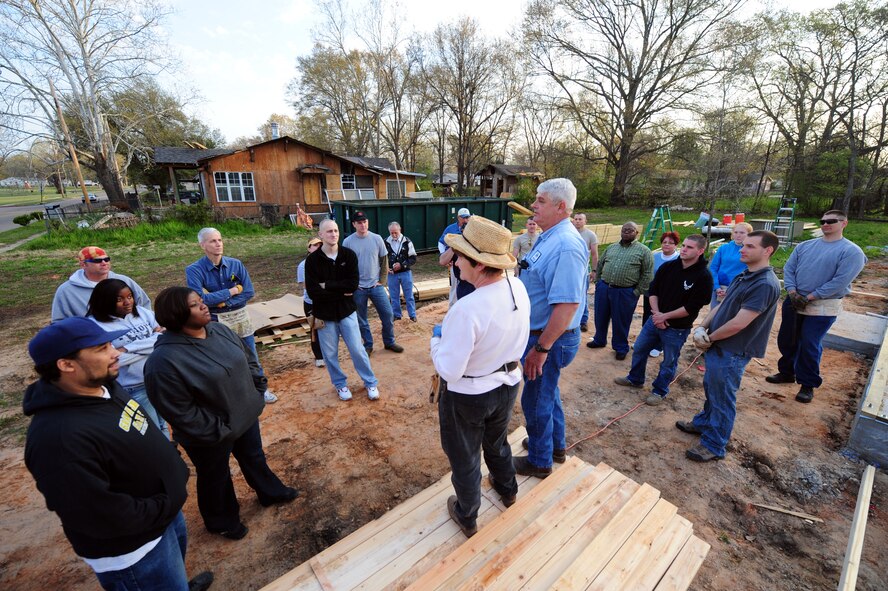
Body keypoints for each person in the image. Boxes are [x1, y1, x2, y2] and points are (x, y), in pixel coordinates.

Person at [23, 317, 213, 591]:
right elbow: (96, 514)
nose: (115, 352)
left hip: (163, 519)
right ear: (65, 365)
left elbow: (139, 428)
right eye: (101, 348)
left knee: (173, 578)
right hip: (135, 551)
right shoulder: (58, 438)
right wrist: (164, 504)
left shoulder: (104, 387)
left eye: (110, 343)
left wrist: (170, 472)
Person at [145, 287, 298, 540]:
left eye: (201, 301)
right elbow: (178, 410)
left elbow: (248, 359)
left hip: (245, 415)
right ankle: (221, 520)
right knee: (215, 476)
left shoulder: (219, 330)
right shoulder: (164, 361)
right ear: (176, 314)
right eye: (195, 305)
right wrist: (218, 429)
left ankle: (270, 492)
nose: (204, 306)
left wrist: (256, 391)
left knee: (254, 457)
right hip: (210, 433)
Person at [431, 216, 531, 537]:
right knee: (497, 442)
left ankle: (468, 513)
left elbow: (448, 370)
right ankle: (508, 490)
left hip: (469, 395)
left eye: (459, 256)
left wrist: (436, 342)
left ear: (477, 263)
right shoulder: (517, 286)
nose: (455, 262)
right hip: (507, 384)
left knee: (465, 456)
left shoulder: (467, 308)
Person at [681, 231, 782, 462]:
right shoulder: (744, 275)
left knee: (723, 397)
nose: (742, 250)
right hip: (719, 344)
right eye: (743, 245)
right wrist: (702, 328)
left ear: (767, 251)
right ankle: (704, 423)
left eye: (749, 246)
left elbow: (739, 323)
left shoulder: (764, 284)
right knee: (712, 388)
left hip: (733, 350)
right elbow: (722, 306)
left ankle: (715, 444)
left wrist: (711, 338)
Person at [515, 178, 587, 479]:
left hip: (549, 339)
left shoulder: (567, 246)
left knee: (535, 400)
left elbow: (567, 306)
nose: (533, 205)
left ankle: (540, 460)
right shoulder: (549, 236)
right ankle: (554, 446)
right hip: (543, 336)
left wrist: (540, 349)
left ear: (561, 207)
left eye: (540, 201)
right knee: (548, 392)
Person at [766, 210, 866, 403]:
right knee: (788, 339)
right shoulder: (805, 246)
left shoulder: (851, 251)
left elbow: (840, 281)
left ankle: (807, 384)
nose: (826, 224)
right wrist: (793, 292)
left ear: (844, 223)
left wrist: (811, 296)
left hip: (822, 305)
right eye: (823, 221)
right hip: (794, 300)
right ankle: (787, 372)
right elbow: (789, 268)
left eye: (831, 221)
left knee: (809, 343)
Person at [614, 235, 713, 406]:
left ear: (700, 251)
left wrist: (664, 317)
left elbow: (693, 307)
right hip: (655, 320)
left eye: (689, 247)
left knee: (669, 361)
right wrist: (657, 314)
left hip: (677, 328)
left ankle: (659, 391)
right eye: (684, 245)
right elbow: (653, 291)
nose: (684, 249)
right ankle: (635, 378)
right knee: (639, 349)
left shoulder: (703, 276)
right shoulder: (668, 267)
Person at [185, 227, 278, 403]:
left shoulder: (236, 264)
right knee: (221, 358)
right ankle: (233, 394)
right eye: (213, 241)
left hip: (240, 317)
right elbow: (200, 299)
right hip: (215, 321)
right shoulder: (194, 270)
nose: (218, 244)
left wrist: (223, 303)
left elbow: (249, 291)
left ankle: (260, 390)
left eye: (219, 240)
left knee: (250, 355)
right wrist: (232, 291)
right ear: (202, 245)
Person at [306, 219, 381, 401]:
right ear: (321, 235)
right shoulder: (312, 261)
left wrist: (328, 286)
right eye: (329, 231)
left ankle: (370, 382)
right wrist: (340, 291)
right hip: (325, 315)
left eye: (336, 230)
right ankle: (340, 385)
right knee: (330, 354)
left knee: (357, 349)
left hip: (347, 312)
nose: (334, 234)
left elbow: (353, 285)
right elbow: (314, 292)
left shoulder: (348, 255)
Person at [87, 278, 169, 438]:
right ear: (104, 301)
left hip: (157, 380)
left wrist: (126, 348)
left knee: (163, 425)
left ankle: (171, 456)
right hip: (132, 388)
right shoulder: (95, 326)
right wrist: (154, 338)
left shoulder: (143, 313)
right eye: (119, 299)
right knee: (151, 433)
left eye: (129, 296)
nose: (127, 302)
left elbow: (166, 339)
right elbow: (113, 360)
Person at [587, 222, 653, 360]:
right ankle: (599, 340)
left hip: (625, 292)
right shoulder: (612, 248)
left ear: (636, 233)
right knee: (600, 316)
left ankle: (620, 347)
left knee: (621, 321)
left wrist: (637, 291)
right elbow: (600, 264)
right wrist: (599, 282)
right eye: (624, 230)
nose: (626, 232)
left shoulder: (644, 251)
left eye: (630, 230)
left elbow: (647, 273)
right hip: (604, 288)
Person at [342, 211, 404, 354]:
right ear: (354, 224)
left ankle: (389, 342)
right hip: (359, 289)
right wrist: (352, 284)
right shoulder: (348, 242)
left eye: (364, 221)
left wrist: (382, 281)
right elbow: (344, 265)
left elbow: (384, 260)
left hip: (376, 286)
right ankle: (368, 345)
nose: (362, 224)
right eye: (359, 222)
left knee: (388, 315)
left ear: (367, 222)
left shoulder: (376, 239)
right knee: (361, 319)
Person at [51, 246, 150, 323]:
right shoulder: (66, 290)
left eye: (107, 259)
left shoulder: (124, 281)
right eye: (97, 261)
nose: (104, 263)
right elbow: (59, 322)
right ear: (83, 265)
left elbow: (144, 304)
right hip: (94, 341)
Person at [643, 232, 681, 357]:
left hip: (667, 296)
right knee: (648, 316)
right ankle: (645, 342)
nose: (667, 245)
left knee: (662, 319)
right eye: (664, 242)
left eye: (670, 243)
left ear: (676, 245)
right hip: (651, 293)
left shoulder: (679, 259)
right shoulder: (655, 257)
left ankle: (658, 346)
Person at [296, 237, 325, 368]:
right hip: (312, 302)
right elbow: (307, 286)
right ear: (309, 248)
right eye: (314, 245)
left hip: (326, 300)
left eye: (320, 245)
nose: (318, 247)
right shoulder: (303, 265)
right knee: (315, 328)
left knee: (328, 327)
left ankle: (328, 354)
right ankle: (319, 356)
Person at [708, 222, 753, 306]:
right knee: (715, 316)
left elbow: (751, 271)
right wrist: (716, 287)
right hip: (719, 289)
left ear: (749, 234)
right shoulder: (723, 248)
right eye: (736, 232)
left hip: (738, 289)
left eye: (742, 233)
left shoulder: (751, 251)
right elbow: (713, 268)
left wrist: (732, 289)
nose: (738, 235)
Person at [438, 207, 475, 303]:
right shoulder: (451, 229)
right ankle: (452, 307)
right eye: (463, 218)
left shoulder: (472, 229)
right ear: (458, 218)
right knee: (455, 287)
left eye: (467, 217)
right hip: (454, 262)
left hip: (469, 264)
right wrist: (444, 254)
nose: (466, 220)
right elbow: (441, 242)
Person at [385, 221, 418, 322]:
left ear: (400, 230)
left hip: (405, 273)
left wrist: (402, 265)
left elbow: (413, 258)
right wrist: (386, 268)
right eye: (392, 233)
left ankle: (412, 315)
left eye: (396, 232)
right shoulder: (385, 242)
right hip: (392, 274)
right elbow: (382, 258)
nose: (394, 235)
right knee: (394, 297)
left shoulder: (407, 242)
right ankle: (397, 315)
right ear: (389, 232)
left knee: (409, 296)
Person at [571, 212, 599, 332]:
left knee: (583, 295)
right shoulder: (569, 234)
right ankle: (570, 319)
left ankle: (583, 321)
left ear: (585, 221)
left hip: (583, 270)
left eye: (580, 219)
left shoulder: (590, 235)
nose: (577, 221)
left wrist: (594, 270)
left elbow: (594, 254)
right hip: (569, 269)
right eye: (576, 219)